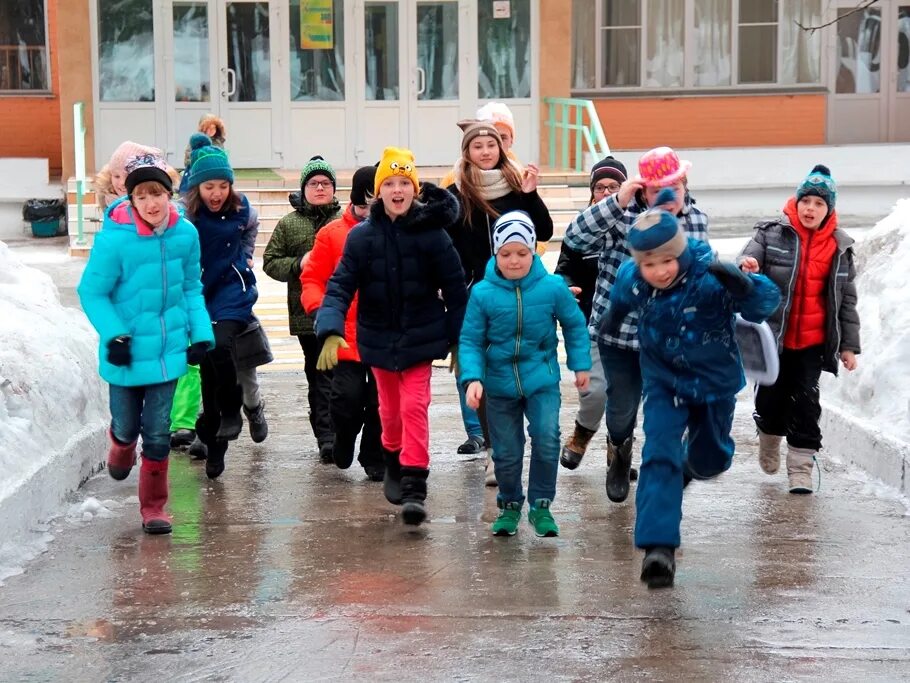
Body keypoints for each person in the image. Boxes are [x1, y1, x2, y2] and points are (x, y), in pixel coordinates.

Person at [605, 193, 781, 588]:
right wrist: (610, 322)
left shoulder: (709, 275)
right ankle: (658, 549)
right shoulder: (634, 279)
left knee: (710, 460)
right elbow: (618, 301)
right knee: (659, 452)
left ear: (680, 252)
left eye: (666, 261)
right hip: (664, 382)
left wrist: (746, 285)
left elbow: (763, 306)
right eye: (649, 264)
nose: (659, 271)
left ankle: (694, 466)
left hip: (715, 382)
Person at [315, 147, 468, 526]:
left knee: (415, 404)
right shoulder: (363, 238)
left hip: (420, 337)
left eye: (404, 183)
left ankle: (415, 482)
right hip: (378, 338)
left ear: (414, 190)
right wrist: (331, 329)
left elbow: (455, 289)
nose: (397, 190)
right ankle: (393, 455)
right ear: (377, 192)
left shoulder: (432, 236)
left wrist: (459, 339)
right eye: (389, 184)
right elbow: (339, 286)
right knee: (389, 409)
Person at [562, 146, 709, 504]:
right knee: (620, 409)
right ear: (644, 191)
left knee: (667, 412)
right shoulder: (622, 216)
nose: (668, 196)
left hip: (666, 339)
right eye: (658, 189)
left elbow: (701, 273)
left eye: (675, 187)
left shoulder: (696, 220)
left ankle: (660, 475)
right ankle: (618, 448)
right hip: (617, 335)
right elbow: (574, 238)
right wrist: (617, 200)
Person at [77, 152, 214, 534]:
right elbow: (92, 292)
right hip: (125, 352)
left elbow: (191, 288)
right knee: (126, 427)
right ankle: (120, 446)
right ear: (132, 200)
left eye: (158, 194)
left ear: (169, 195)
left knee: (157, 434)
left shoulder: (186, 235)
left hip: (168, 353)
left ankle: (154, 507)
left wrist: (201, 334)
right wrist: (113, 333)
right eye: (142, 196)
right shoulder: (114, 241)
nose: (151, 203)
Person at [459, 211, 591, 538]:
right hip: (499, 384)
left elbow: (574, 326)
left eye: (522, 253)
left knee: (547, 439)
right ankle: (509, 505)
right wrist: (473, 378)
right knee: (505, 451)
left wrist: (580, 364)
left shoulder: (552, 288)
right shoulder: (483, 293)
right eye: (506, 254)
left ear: (533, 251)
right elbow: (471, 339)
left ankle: (541, 506)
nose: (514, 261)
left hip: (541, 379)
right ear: (495, 253)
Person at [738, 164, 861, 493]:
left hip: (812, 342)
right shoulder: (771, 233)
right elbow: (748, 259)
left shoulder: (839, 247)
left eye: (819, 204)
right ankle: (768, 437)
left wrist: (848, 345)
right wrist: (747, 265)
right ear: (796, 201)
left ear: (828, 209)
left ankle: (801, 468)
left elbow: (846, 301)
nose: (810, 208)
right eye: (806, 201)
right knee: (769, 401)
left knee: (806, 401)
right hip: (773, 339)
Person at [446, 119, 554, 484]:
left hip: (524, 296)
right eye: (478, 146)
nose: (486, 152)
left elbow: (546, 231)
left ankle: (525, 438)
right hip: (480, 297)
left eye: (491, 145)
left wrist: (530, 194)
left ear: (501, 148)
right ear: (467, 153)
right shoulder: (460, 196)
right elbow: (452, 252)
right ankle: (496, 452)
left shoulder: (516, 185)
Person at [181, 133, 268, 478]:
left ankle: (233, 408)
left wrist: (243, 262)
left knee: (220, 347)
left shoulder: (242, 209)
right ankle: (214, 437)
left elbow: (251, 229)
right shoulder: (186, 218)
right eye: (208, 187)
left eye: (222, 186)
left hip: (233, 292)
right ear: (197, 189)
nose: (216, 194)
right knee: (207, 372)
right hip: (200, 292)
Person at [300, 164, 385, 482]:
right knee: (345, 398)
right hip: (344, 335)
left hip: (382, 337)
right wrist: (321, 311)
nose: (368, 212)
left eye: (373, 205)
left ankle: (373, 453)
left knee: (380, 402)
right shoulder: (332, 234)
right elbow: (312, 278)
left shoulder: (396, 233)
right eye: (363, 205)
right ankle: (344, 437)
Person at [555, 156, 634, 483]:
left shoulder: (637, 228)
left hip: (629, 330)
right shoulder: (583, 229)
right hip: (588, 323)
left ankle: (617, 454)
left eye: (613, 187)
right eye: (599, 187)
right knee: (595, 391)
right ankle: (582, 434)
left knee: (625, 396)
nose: (605, 193)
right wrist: (563, 288)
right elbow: (562, 269)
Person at [263, 156, 342, 463]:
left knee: (341, 375)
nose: (320, 188)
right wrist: (298, 264)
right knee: (319, 374)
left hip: (342, 310)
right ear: (304, 188)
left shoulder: (345, 218)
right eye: (313, 183)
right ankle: (326, 435)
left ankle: (341, 430)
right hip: (306, 315)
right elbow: (270, 261)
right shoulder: (289, 224)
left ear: (334, 189)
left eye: (325, 183)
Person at [440, 101, 522, 189]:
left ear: (511, 140)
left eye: (502, 138)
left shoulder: (519, 177)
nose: (498, 145)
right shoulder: (455, 179)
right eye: (480, 145)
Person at [93, 141, 179, 211]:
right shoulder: (108, 204)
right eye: (116, 176)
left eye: (128, 176)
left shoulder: (161, 211)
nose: (122, 182)